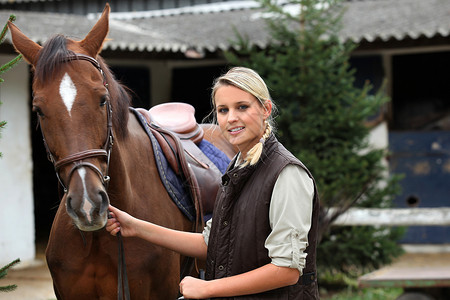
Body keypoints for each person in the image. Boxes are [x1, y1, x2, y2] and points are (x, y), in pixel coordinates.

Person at [106, 67, 320, 299]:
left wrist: (208, 288)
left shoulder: (287, 173)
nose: (231, 118)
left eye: (242, 107)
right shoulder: (238, 167)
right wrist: (136, 227)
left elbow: (286, 271)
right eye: (223, 110)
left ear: (265, 109)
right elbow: (210, 243)